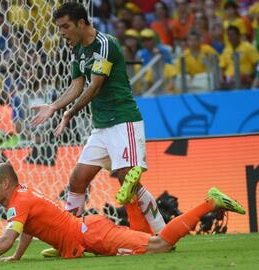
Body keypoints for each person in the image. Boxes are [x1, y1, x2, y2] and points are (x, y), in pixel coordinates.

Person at [30, 1, 166, 240]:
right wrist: (54, 106)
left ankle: (163, 233)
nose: (61, 33)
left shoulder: (105, 44)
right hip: (101, 126)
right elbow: (77, 84)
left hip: (123, 121)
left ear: (81, 23)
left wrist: (69, 113)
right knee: (77, 180)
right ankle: (70, 236)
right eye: (59, 28)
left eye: (65, 26)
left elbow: (94, 85)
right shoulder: (77, 48)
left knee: (128, 182)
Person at [0, 162, 246, 267]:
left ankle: (210, 202)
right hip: (88, 230)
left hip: (93, 235)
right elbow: (28, 228)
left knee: (162, 245)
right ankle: (130, 200)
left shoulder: (19, 202)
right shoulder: (23, 196)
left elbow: (6, 239)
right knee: (146, 240)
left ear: (6, 183)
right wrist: (18, 257)